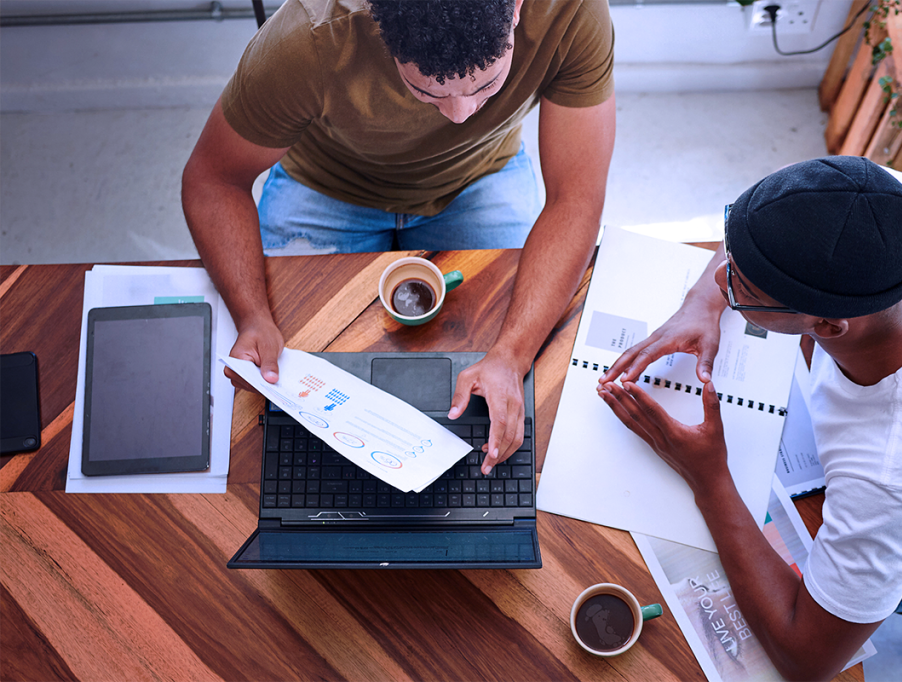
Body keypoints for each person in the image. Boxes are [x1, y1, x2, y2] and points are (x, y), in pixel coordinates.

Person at [597, 156, 902, 681]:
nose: (720, 276)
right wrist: (701, 303)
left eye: (738, 288)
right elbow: (766, 224)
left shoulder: (896, 470)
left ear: (825, 324)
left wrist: (709, 477)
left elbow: (809, 660)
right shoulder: (886, 207)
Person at [181, 0, 615, 475]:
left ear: (516, 8)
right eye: (426, 91)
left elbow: (576, 199)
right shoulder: (308, 37)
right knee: (287, 385)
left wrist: (511, 357)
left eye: (486, 85)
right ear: (380, 31)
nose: (460, 115)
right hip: (326, 183)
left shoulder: (573, 9)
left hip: (481, 175)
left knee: (515, 360)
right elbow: (212, 180)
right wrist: (251, 315)